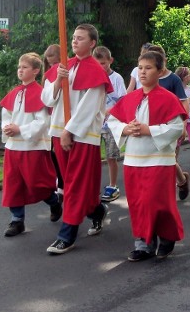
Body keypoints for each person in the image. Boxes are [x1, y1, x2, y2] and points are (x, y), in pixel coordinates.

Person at [106, 51, 187, 261]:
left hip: (159, 161)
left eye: (148, 68)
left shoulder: (169, 99)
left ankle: (167, 237)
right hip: (133, 160)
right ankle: (144, 244)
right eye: (140, 67)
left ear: (160, 72)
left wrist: (147, 130)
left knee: (158, 202)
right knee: (138, 202)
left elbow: (177, 128)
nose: (142, 72)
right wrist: (126, 129)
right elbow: (113, 121)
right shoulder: (130, 98)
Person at [42, 24, 113, 255]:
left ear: (92, 43)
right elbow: (47, 100)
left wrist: (69, 131)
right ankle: (96, 211)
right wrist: (56, 82)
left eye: (80, 38)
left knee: (74, 185)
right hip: (58, 132)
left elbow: (89, 106)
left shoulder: (95, 71)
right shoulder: (62, 67)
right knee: (71, 184)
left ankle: (67, 235)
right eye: (73, 37)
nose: (74, 41)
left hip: (82, 135)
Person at [0, 52, 62, 237]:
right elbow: (6, 115)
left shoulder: (41, 94)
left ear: (35, 71)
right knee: (13, 184)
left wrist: (20, 129)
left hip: (32, 147)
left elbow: (42, 121)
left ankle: (54, 202)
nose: (20, 70)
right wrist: (7, 128)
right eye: (19, 67)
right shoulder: (14, 93)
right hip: (13, 148)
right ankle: (16, 220)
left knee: (39, 184)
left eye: (24, 67)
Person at [144, 45, 190, 200]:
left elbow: (183, 103)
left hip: (171, 125)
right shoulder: (147, 77)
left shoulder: (173, 79)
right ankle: (182, 180)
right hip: (152, 125)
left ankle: (171, 190)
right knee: (159, 159)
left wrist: (183, 125)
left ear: (164, 60)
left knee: (169, 159)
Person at [93, 46, 126, 202]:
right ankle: (93, 186)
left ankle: (113, 186)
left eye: (104, 63)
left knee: (111, 156)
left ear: (110, 61)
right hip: (95, 125)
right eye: (98, 64)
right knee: (93, 157)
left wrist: (109, 110)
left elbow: (122, 100)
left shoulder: (116, 78)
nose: (101, 67)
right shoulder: (92, 77)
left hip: (112, 124)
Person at [42, 44, 64, 200]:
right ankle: (60, 182)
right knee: (53, 154)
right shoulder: (48, 75)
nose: (52, 66)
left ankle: (62, 184)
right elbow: (47, 99)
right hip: (51, 117)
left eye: (54, 63)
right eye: (49, 64)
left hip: (61, 119)